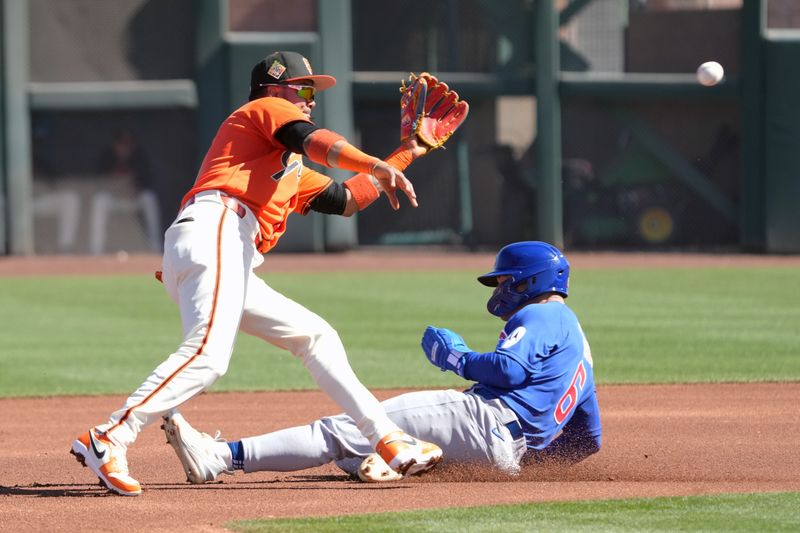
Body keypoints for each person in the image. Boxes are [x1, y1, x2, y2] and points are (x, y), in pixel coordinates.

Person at [70, 51, 467, 495]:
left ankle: (387, 438)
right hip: (217, 226)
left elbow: (347, 198)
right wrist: (375, 162)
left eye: (313, 92)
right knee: (208, 356)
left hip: (225, 247)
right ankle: (109, 436)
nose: (311, 99)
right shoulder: (262, 111)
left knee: (315, 336)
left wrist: (407, 152)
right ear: (274, 89)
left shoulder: (287, 167)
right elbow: (319, 143)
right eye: (303, 89)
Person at [159, 241, 602, 484]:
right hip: (505, 453)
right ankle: (386, 466)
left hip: (479, 420)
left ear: (534, 281)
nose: (499, 289)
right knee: (366, 451)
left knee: (351, 428)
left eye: (506, 280)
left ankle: (220, 457)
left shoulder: (543, 313)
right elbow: (588, 438)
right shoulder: (582, 348)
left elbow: (508, 371)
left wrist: (457, 357)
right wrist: (517, 466)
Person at [92, 130, 163, 254]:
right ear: (115, 145)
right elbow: (100, 183)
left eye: (128, 143)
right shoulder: (107, 157)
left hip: (134, 200)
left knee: (149, 198)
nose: (125, 147)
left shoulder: (139, 157)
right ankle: (96, 249)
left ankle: (155, 247)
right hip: (114, 200)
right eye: (121, 143)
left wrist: (135, 190)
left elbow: (147, 182)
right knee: (100, 200)